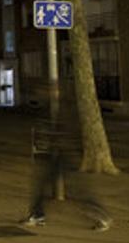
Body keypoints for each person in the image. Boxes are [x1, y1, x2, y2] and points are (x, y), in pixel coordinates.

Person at [20, 96, 112, 232]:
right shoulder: (58, 107)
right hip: (58, 153)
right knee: (44, 185)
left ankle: (101, 214)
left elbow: (64, 131)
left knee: (74, 188)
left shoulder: (61, 108)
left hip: (62, 154)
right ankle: (38, 214)